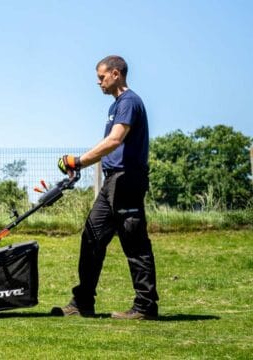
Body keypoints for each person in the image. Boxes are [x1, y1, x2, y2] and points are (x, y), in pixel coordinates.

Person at [53, 55, 159, 320]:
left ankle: (146, 306)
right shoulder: (116, 106)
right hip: (113, 181)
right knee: (91, 238)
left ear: (115, 73)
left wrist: (78, 160)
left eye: (101, 77)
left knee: (134, 244)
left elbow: (114, 141)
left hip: (128, 179)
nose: (98, 82)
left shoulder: (129, 102)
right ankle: (82, 302)